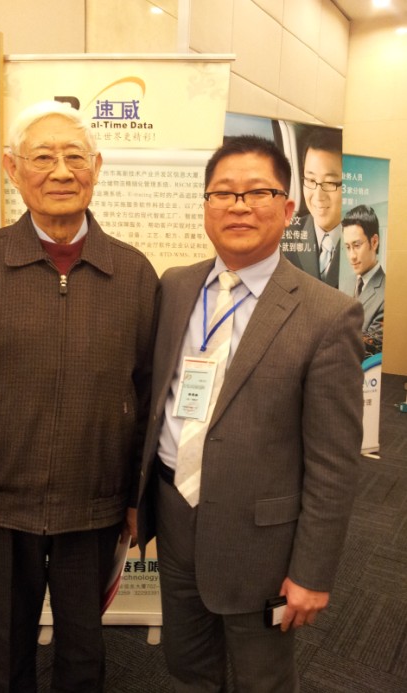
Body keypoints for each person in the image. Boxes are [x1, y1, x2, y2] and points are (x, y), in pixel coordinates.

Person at [0, 101, 159, 692]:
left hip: (94, 508)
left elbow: (149, 402)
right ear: (12, 169)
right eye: (43, 157)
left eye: (75, 156)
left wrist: (137, 498)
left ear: (97, 167)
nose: (61, 171)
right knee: (6, 651)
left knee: (85, 653)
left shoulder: (133, 274)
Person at [137, 136, 364, 692]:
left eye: (257, 192)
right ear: (206, 205)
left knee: (263, 679)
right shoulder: (176, 286)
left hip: (261, 541)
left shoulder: (328, 314)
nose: (238, 206)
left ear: (287, 209)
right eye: (223, 193)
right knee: (187, 667)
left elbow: (334, 464)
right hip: (175, 515)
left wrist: (312, 571)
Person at [283, 128, 343, 287]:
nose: (318, 196)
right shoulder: (283, 238)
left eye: (329, 182)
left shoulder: (367, 243)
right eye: (310, 180)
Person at [341, 205, 385, 355]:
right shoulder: (345, 284)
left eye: (357, 245)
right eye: (347, 247)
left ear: (374, 242)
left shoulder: (388, 294)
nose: (351, 256)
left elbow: (372, 348)